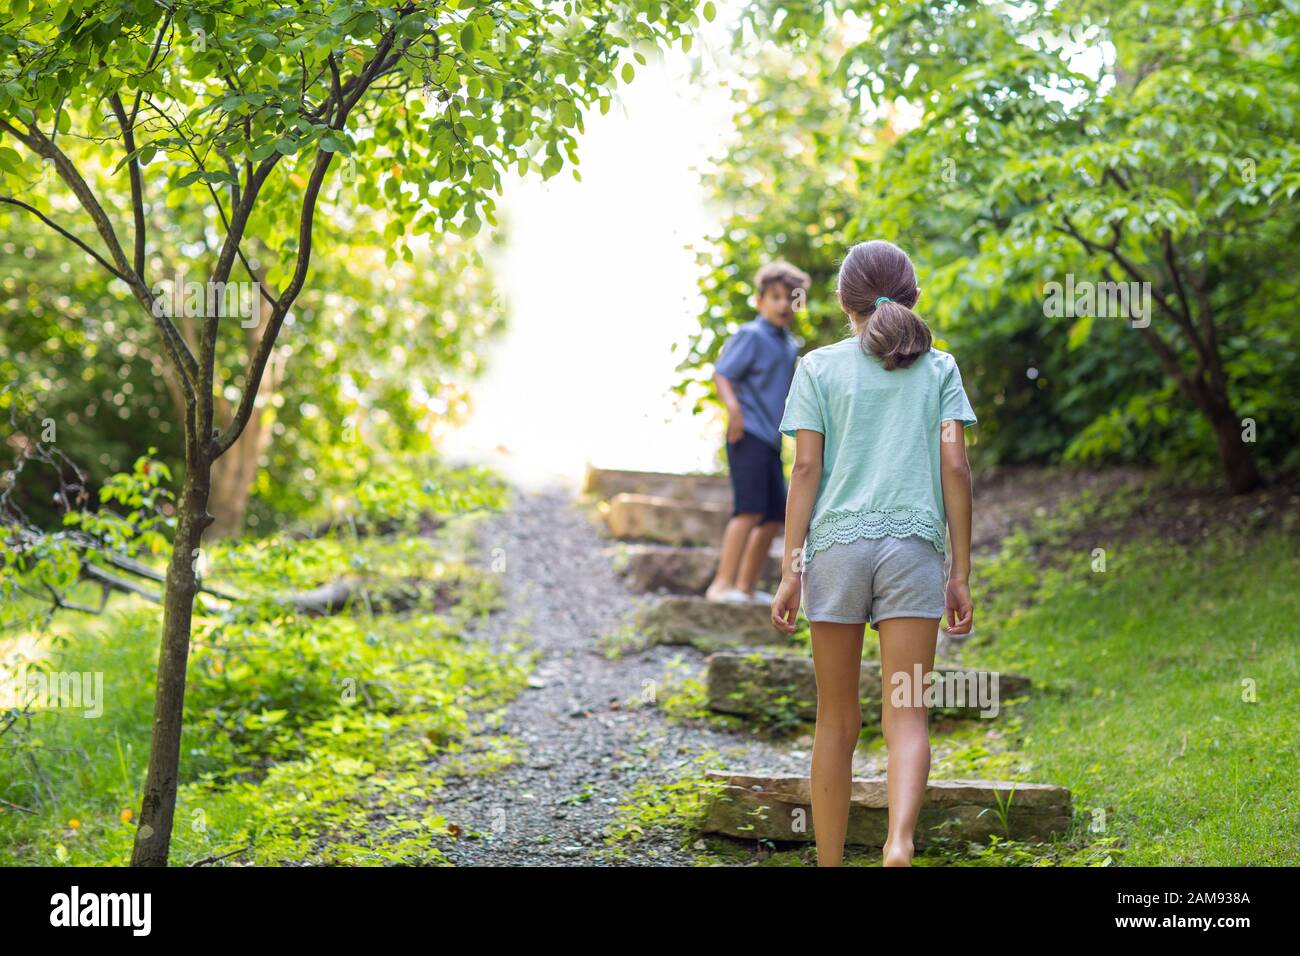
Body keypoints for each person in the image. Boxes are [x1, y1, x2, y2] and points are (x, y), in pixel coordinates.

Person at [771, 239, 977, 867]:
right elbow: (955, 465)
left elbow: (805, 468)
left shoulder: (817, 368)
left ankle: (830, 862)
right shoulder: (939, 368)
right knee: (907, 715)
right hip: (913, 549)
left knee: (835, 721)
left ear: (843, 300)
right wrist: (960, 573)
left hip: (834, 551)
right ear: (911, 294)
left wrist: (789, 569)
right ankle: (898, 843)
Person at [706, 260, 809, 603]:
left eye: (790, 298)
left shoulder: (789, 344)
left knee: (772, 518)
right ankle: (721, 585)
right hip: (747, 434)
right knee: (748, 511)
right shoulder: (750, 336)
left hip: (770, 438)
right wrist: (734, 411)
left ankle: (745, 588)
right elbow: (722, 374)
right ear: (760, 301)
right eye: (775, 297)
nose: (783, 304)